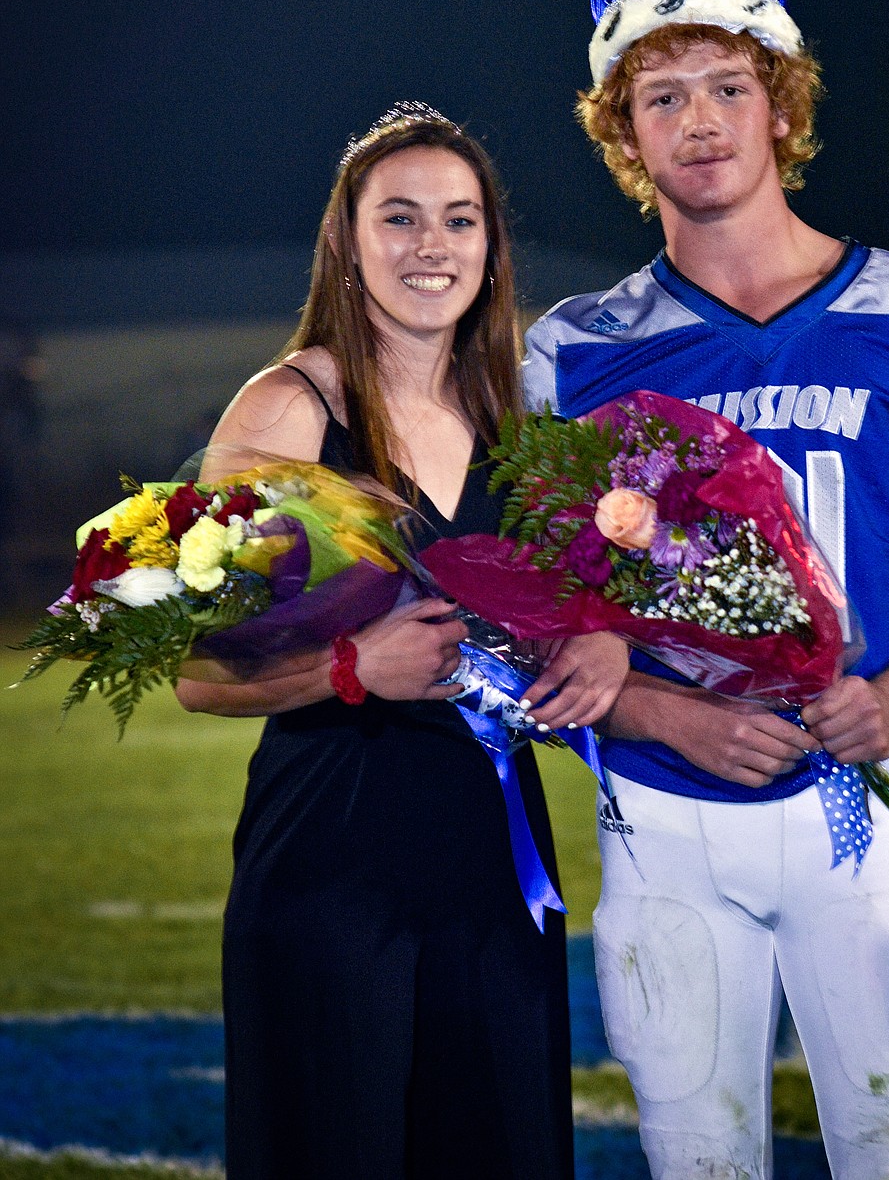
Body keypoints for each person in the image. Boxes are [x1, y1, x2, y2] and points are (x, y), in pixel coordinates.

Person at [522, 0, 889, 1180]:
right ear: (621, 129)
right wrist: (662, 714)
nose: (698, 119)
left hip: (859, 798)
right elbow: (540, 611)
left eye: (726, 85)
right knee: (696, 1161)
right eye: (661, 95)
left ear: (782, 103)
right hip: (665, 812)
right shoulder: (576, 350)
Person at [174, 103, 628, 1180]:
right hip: (333, 854)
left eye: (460, 220)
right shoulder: (287, 408)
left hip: (493, 858)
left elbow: (556, 606)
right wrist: (351, 667)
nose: (433, 245)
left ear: (490, 246)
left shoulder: (514, 418)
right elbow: (196, 670)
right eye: (402, 218)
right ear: (348, 239)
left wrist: (598, 638)